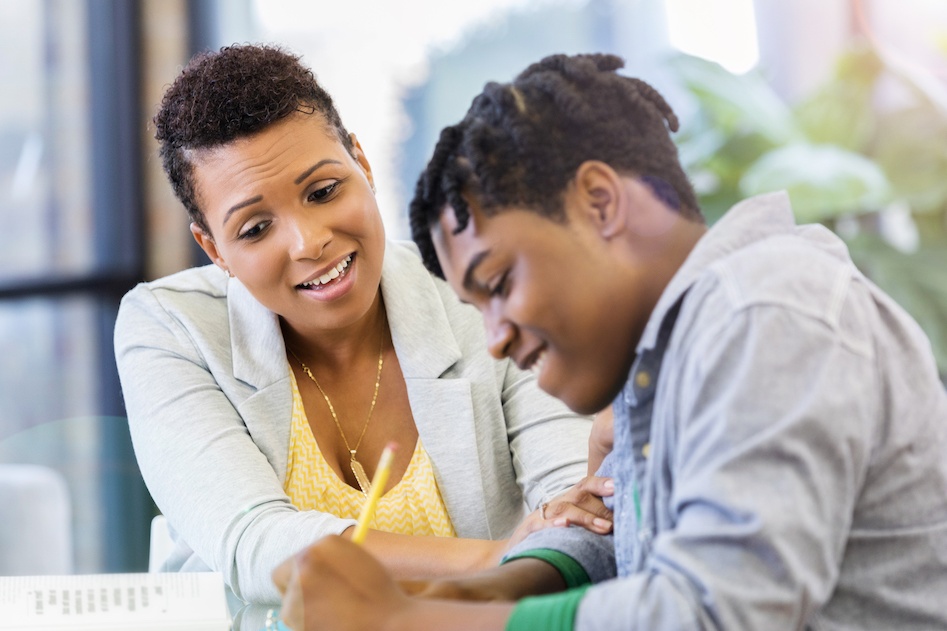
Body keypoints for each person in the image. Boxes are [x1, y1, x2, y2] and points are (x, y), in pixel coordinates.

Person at [271, 52, 947, 630]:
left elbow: (709, 610)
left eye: (499, 281)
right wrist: (471, 591)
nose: (496, 340)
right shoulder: (670, 346)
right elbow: (620, 532)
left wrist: (416, 620)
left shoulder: (763, 310)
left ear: (598, 200)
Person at [113, 44, 615, 605]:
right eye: (255, 228)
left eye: (323, 192)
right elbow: (256, 544)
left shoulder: (478, 291)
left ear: (363, 165)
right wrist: (499, 557)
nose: (309, 242)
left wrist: (557, 530)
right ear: (212, 248)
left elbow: (578, 505)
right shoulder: (170, 327)